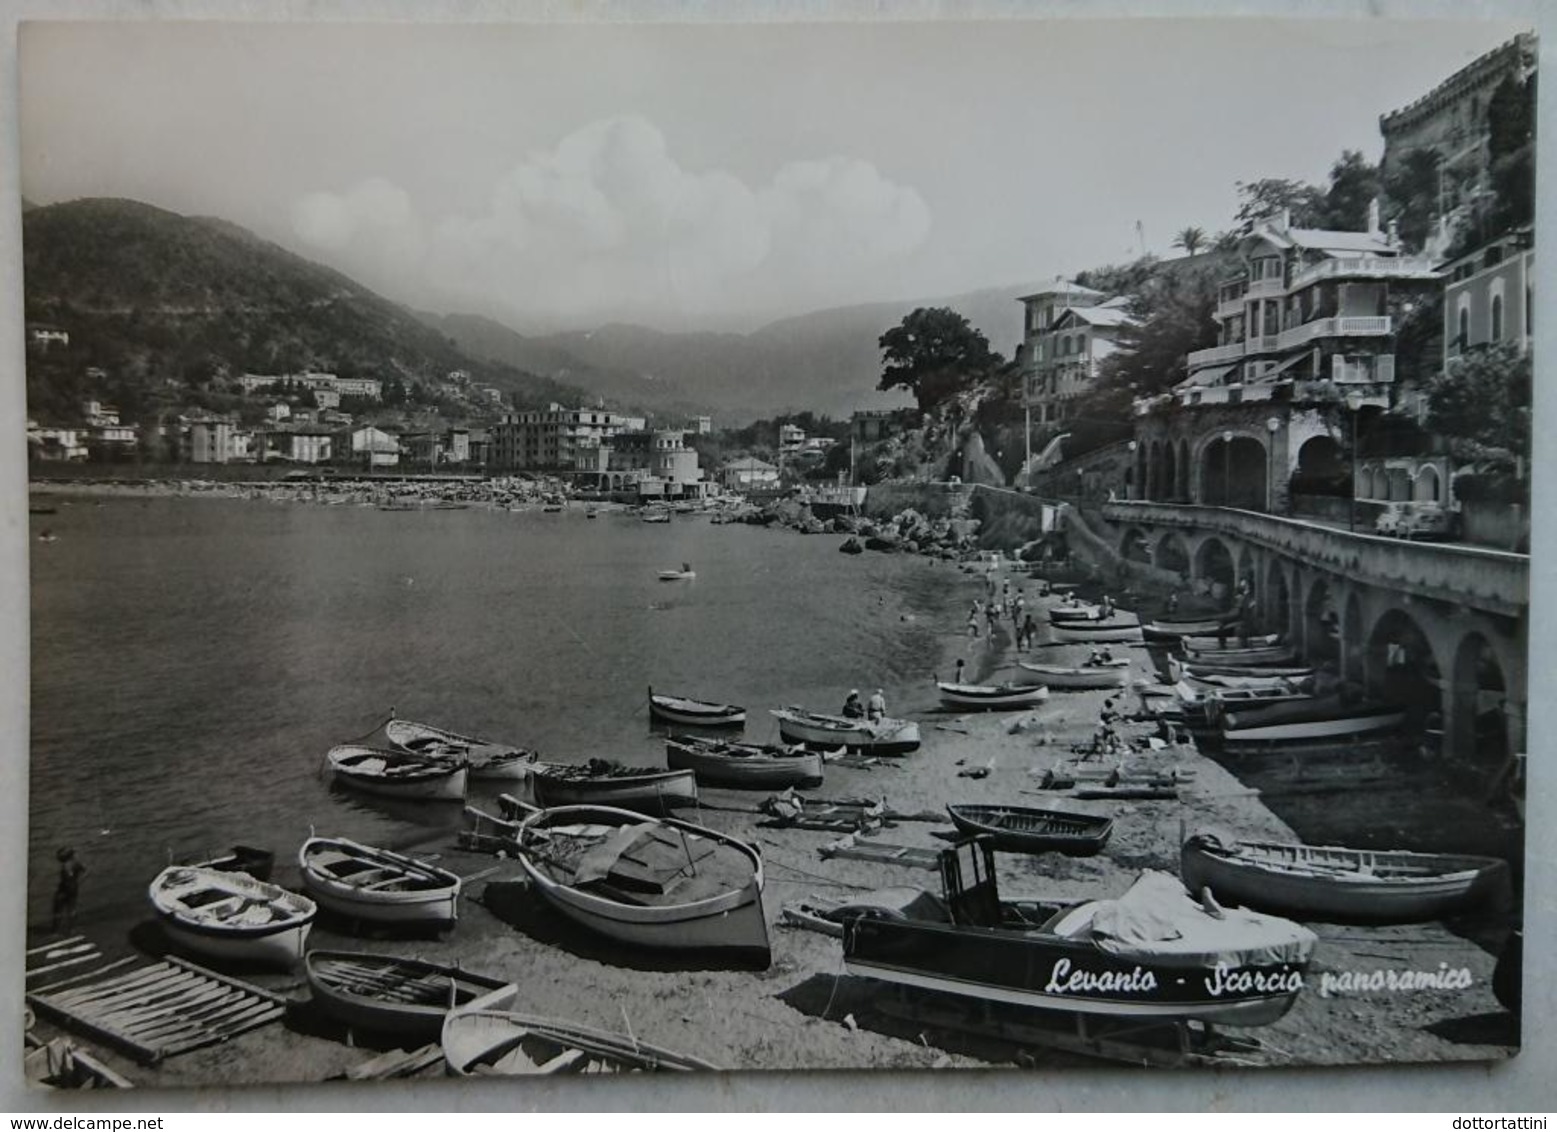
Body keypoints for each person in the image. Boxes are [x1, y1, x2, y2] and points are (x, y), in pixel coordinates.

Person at [53, 847, 85, 934]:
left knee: (58, 909)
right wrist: (78, 880)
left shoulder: (66, 866)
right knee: (72, 908)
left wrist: (69, 880)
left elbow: (68, 876)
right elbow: (84, 870)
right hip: (73, 887)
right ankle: (72, 929)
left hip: (65, 888)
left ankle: (56, 930)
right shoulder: (76, 863)